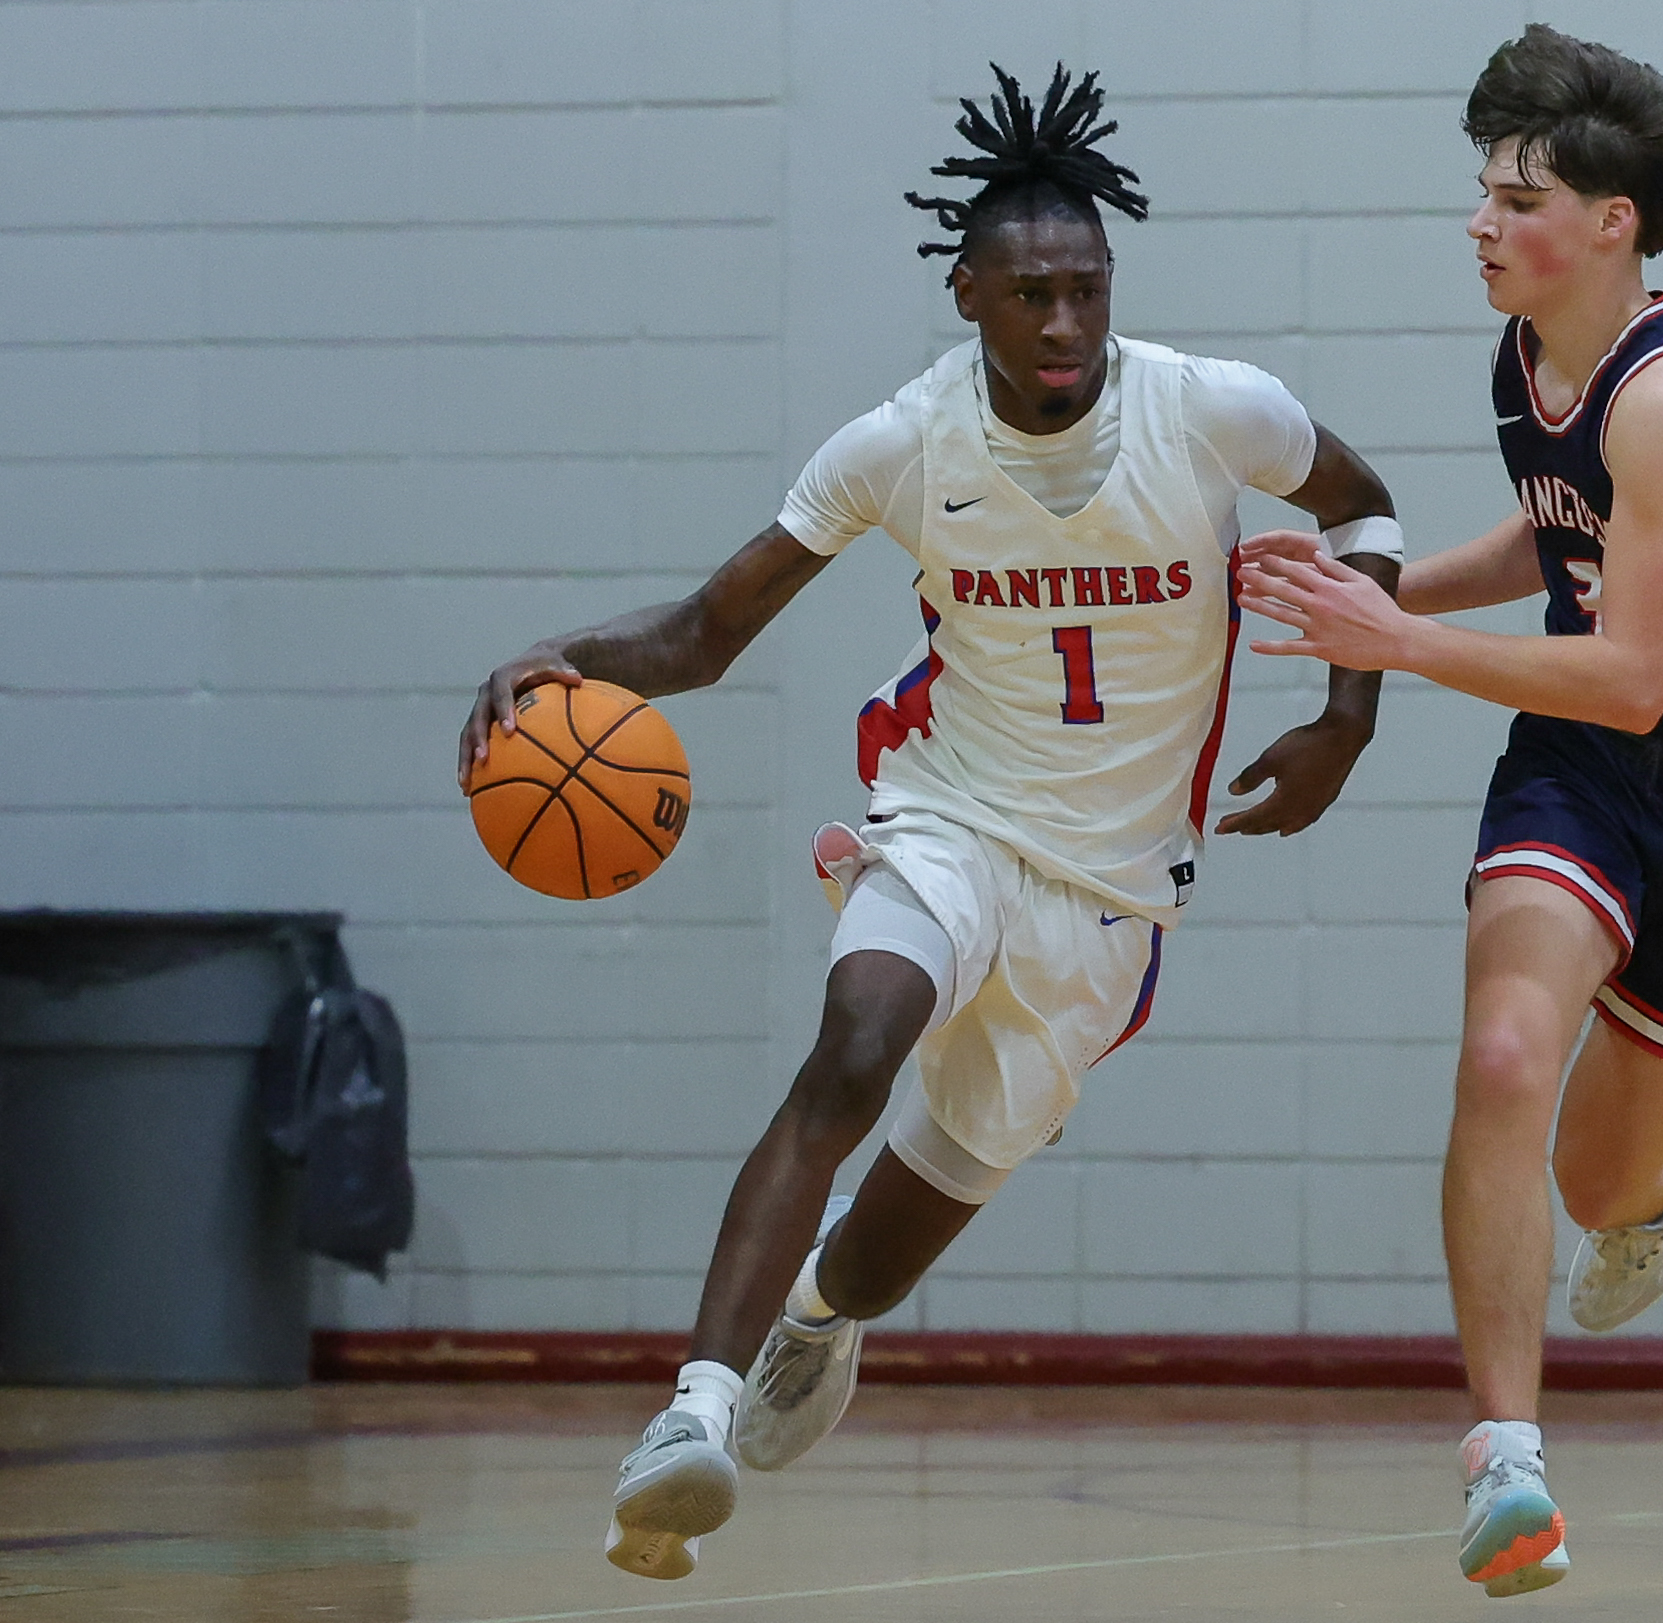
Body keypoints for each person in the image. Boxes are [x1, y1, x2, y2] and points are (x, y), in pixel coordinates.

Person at [455, 65, 1404, 1582]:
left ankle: (820, 1320)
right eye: (1031, 295)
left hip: (1111, 896)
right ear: (969, 294)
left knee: (895, 1240)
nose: (1065, 328)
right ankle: (689, 1411)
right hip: (950, 813)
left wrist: (1350, 721)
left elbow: (1365, 513)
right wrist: (564, 656)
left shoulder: (1212, 409)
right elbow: (710, 631)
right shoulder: (901, 443)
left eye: (1087, 292)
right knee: (853, 1041)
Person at [1238, 26, 1663, 1598]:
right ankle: (1506, 1463)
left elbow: (1636, 671)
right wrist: (1365, 582)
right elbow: (1552, 535)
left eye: (1518, 197)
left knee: (1595, 1183)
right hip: (1584, 773)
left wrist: (1400, 645)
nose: (1482, 221)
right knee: (1504, 1052)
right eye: (1485, 190)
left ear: (1612, 222)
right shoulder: (1529, 355)